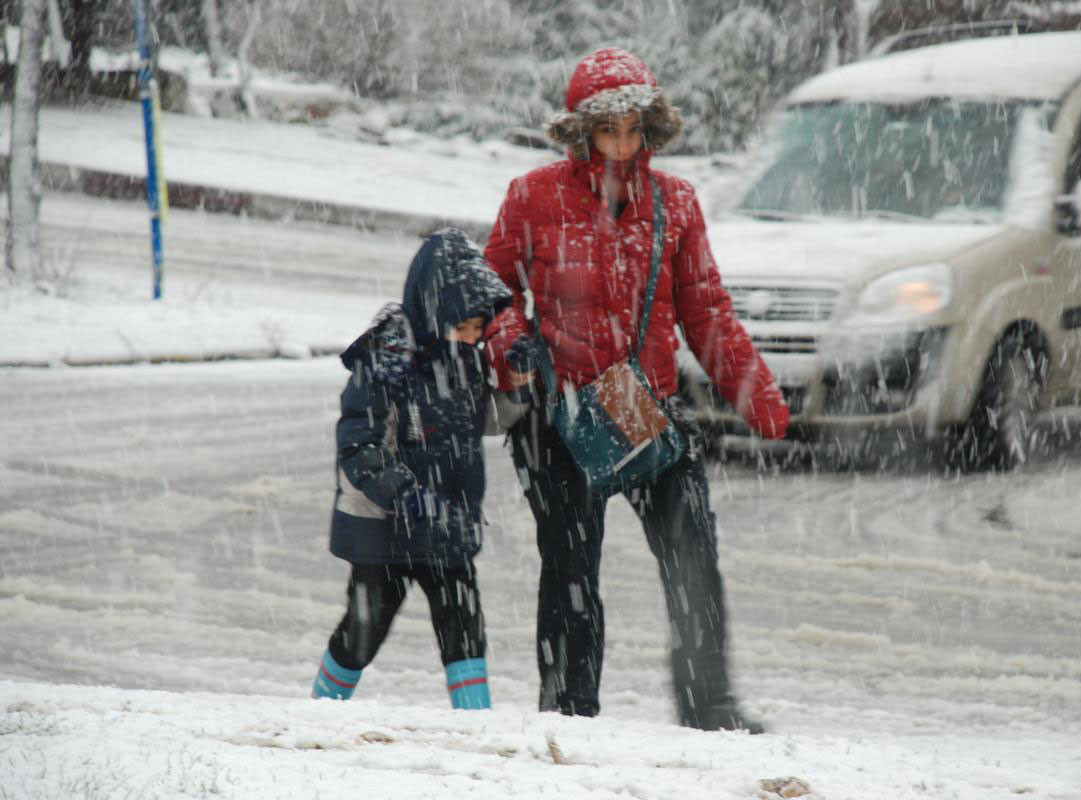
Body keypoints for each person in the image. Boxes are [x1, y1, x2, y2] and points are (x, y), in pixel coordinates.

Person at [483, 48, 790, 732]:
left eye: (633, 128)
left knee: (694, 563)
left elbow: (705, 310)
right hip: (558, 412)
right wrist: (512, 341)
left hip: (642, 405)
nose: (622, 144)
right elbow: (491, 288)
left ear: (649, 128)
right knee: (570, 571)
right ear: (580, 131)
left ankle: (710, 708)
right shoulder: (533, 197)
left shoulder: (674, 203)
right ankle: (568, 714)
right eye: (607, 129)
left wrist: (757, 396)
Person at [311, 228, 512, 710]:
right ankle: (320, 709)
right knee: (364, 627)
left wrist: (519, 390)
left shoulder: (463, 361)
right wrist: (402, 494)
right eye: (464, 327)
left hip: (448, 522)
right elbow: (359, 443)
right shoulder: (383, 360)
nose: (473, 339)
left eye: (478, 329)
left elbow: (483, 419)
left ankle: (475, 722)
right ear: (434, 309)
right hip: (384, 527)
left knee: (463, 626)